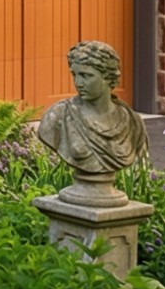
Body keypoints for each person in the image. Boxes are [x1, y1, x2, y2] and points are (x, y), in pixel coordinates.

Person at [38, 40, 147, 188]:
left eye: (86, 76)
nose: (78, 82)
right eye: (74, 74)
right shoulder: (58, 116)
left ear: (108, 77)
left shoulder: (132, 123)